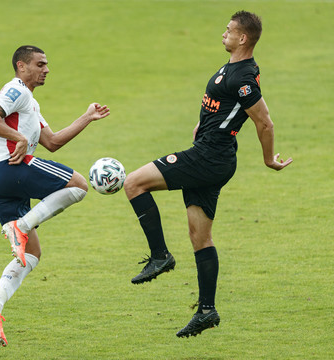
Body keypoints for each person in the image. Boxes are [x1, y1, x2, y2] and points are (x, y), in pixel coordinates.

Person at [123, 11, 293, 338]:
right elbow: (224, 108)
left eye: (229, 31)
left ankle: (160, 255)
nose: (223, 34)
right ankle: (206, 311)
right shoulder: (232, 69)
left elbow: (264, 121)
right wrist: (205, 124)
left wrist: (269, 159)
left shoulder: (242, 76)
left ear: (243, 38)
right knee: (200, 237)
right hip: (213, 156)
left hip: (208, 158)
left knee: (133, 182)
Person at [0, 45, 110, 346]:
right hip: (8, 168)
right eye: (39, 64)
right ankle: (19, 227)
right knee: (78, 185)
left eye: (47, 64)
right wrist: (19, 138)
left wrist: (87, 117)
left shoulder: (30, 104)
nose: (46, 69)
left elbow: (52, 141)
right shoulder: (17, 89)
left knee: (32, 254)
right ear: (21, 67)